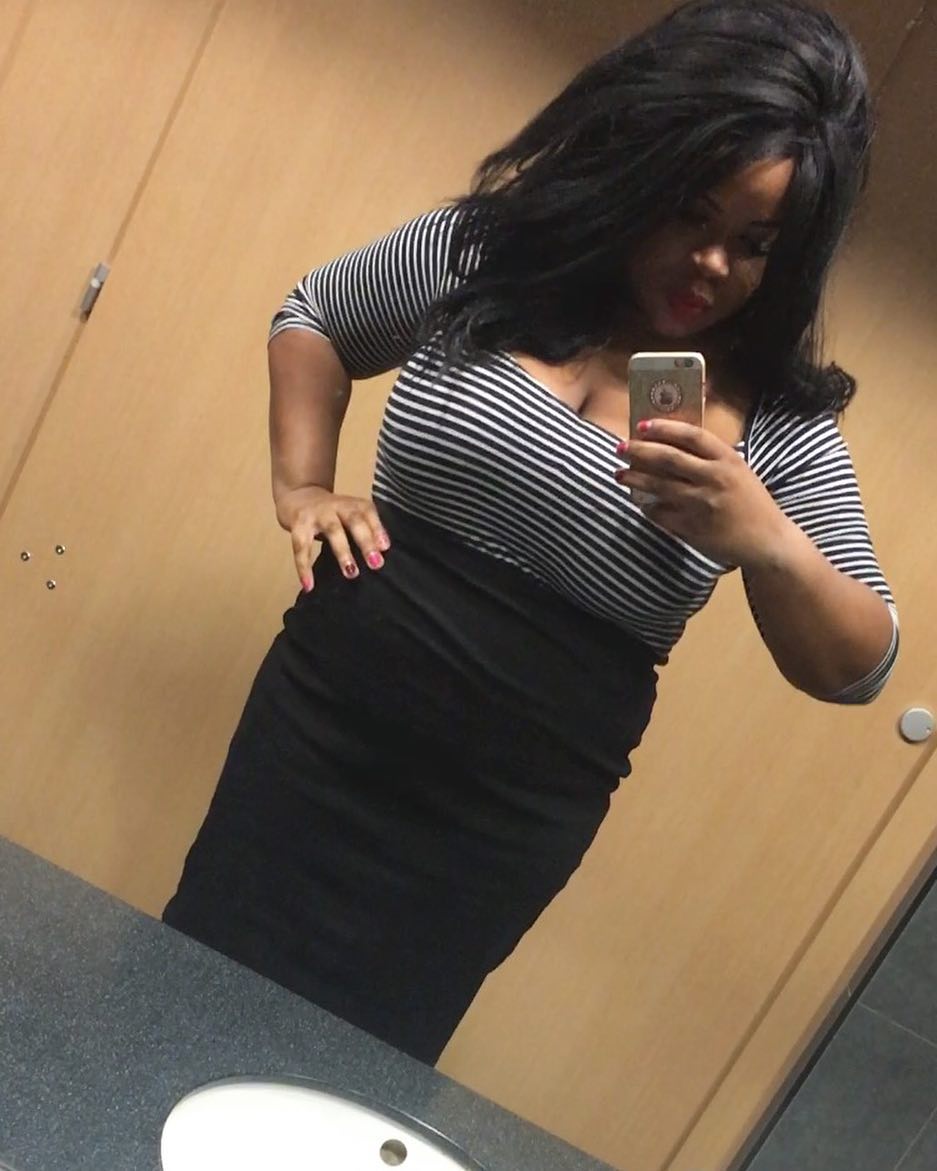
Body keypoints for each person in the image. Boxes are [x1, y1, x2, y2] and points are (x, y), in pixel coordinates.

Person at [163, 0, 898, 1065]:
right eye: (690, 213)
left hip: (499, 821)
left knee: (360, 1063)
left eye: (752, 246)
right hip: (320, 724)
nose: (710, 264)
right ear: (634, 165)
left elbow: (861, 663)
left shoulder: (774, 418)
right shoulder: (486, 258)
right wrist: (303, 487)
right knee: (189, 981)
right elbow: (314, 318)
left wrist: (762, 536)